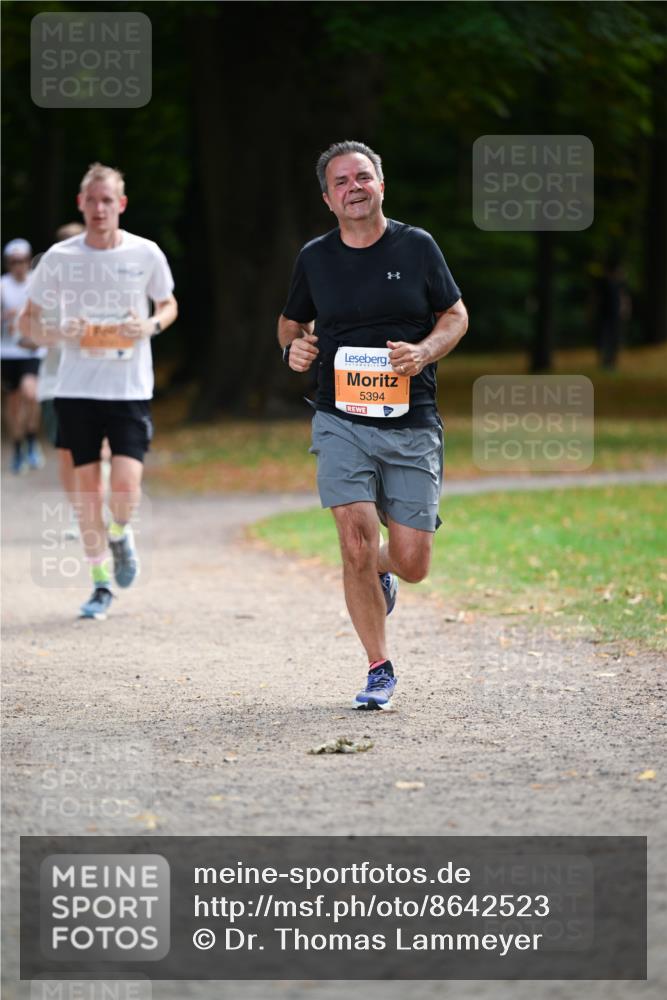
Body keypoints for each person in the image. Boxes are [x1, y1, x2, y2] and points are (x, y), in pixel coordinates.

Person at [278, 140, 468, 710]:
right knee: (355, 541)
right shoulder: (315, 257)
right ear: (327, 198)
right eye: (341, 181)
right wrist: (295, 351)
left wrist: (425, 351)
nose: (353, 187)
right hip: (339, 420)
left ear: (381, 185)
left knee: (412, 563)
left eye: (363, 176)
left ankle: (385, 567)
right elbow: (290, 324)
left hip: (411, 423)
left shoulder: (417, 247)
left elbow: (454, 315)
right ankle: (378, 668)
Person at [19, 162, 178, 620]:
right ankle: (99, 583)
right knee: (87, 491)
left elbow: (168, 304)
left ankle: (120, 533)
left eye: (108, 200)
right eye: (93, 200)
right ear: (81, 205)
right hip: (76, 389)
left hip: (128, 386)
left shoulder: (145, 253)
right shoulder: (59, 258)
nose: (100, 208)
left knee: (126, 487)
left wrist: (148, 324)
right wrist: (56, 331)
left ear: (121, 205)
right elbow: (28, 321)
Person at [1, 238, 46, 473]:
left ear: (29, 261)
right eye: (13, 262)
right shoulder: (2, 286)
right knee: (13, 403)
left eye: (22, 261)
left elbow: (50, 314)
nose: (18, 266)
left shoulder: (37, 285)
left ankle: (31, 440)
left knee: (31, 394)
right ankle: (18, 448)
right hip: (7, 352)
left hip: (32, 349)